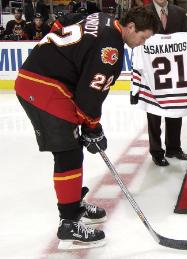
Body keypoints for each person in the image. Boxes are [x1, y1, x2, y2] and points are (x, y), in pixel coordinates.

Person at [14, 7, 157, 250]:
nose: (141, 43)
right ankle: (68, 224)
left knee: (73, 148)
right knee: (68, 153)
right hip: (44, 87)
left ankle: (74, 205)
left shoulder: (104, 19)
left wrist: (56, 54)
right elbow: (89, 96)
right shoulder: (111, 49)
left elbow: (63, 22)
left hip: (43, 79)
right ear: (131, 27)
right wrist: (93, 127)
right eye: (142, 38)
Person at [145, 0, 187, 166]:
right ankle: (156, 152)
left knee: (175, 110)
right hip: (152, 73)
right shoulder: (144, 11)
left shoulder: (179, 12)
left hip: (175, 72)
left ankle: (173, 148)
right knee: (154, 114)